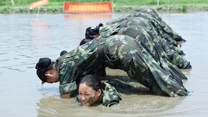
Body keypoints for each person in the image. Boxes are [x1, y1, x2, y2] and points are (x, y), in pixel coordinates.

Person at [35, 35, 188, 99]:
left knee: (155, 82)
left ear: (49, 75)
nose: (55, 83)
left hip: (120, 50)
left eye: (51, 82)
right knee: (156, 71)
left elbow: (65, 99)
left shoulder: (64, 67)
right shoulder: (64, 59)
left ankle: (183, 96)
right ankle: (182, 88)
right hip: (121, 42)